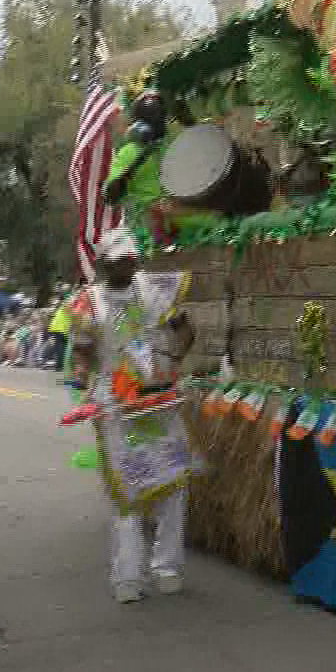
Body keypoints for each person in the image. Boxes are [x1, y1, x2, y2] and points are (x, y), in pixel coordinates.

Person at [66, 228, 198, 603]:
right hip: (116, 404)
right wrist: (81, 372)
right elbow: (82, 350)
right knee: (126, 489)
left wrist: (174, 359)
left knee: (173, 481)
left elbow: (186, 329)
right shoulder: (89, 301)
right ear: (103, 264)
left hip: (159, 398)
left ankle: (168, 565)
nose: (127, 266)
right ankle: (128, 575)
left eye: (131, 259)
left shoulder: (153, 290)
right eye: (119, 261)